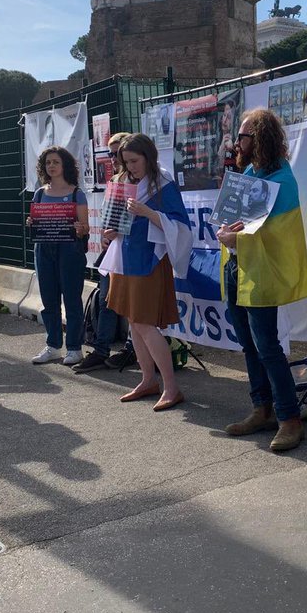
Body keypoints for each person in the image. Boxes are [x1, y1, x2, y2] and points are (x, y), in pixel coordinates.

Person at [219, 108, 307, 452]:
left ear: (259, 139)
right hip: (238, 268)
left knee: (268, 348)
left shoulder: (281, 180)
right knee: (248, 344)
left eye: (242, 136)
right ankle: (262, 408)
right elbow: (240, 223)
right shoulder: (250, 173)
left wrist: (235, 238)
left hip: (260, 271)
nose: (236, 142)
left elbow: (275, 234)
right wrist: (226, 231)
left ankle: (290, 420)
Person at [97, 133, 192, 411]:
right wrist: (108, 232)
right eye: (125, 162)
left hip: (149, 260)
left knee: (143, 323)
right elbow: (112, 219)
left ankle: (171, 387)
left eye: (134, 161)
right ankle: (148, 380)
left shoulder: (163, 185)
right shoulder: (120, 181)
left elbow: (182, 228)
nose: (130, 167)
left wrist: (147, 213)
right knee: (133, 323)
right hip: (124, 259)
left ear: (149, 157)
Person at [74, 132, 138, 372]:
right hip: (112, 250)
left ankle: (131, 349)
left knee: (132, 303)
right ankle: (101, 350)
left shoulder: (140, 181)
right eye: (110, 153)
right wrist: (106, 236)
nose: (112, 158)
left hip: (132, 251)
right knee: (105, 299)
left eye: (115, 153)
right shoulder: (116, 180)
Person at [27, 145, 89, 366]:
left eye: (55, 162)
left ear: (65, 165)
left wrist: (80, 228)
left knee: (72, 299)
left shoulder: (76, 193)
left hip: (70, 249)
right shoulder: (40, 193)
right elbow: (35, 219)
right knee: (49, 300)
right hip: (44, 248)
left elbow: (85, 228)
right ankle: (53, 346)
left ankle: (74, 348)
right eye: (48, 163)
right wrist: (32, 222)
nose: (51, 166)